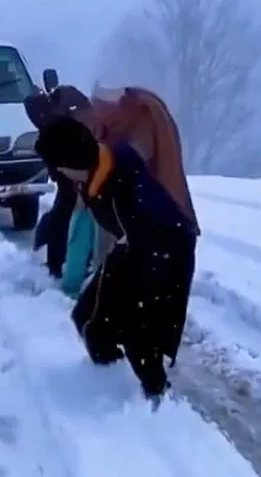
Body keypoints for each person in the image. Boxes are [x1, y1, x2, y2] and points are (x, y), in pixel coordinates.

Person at [34, 116, 197, 403]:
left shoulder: (125, 184)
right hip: (134, 244)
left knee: (137, 327)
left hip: (164, 249)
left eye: (59, 168)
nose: (58, 174)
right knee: (88, 319)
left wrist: (137, 284)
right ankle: (110, 384)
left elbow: (159, 228)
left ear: (74, 162)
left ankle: (157, 401)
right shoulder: (96, 170)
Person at [87, 85, 200, 358]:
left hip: (161, 228)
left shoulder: (143, 117)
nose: (97, 114)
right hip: (142, 227)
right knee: (107, 307)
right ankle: (118, 359)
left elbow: (129, 163)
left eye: (100, 105)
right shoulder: (127, 120)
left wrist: (104, 165)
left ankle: (151, 383)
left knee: (148, 313)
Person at [24, 84, 93, 278]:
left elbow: (87, 112)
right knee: (64, 218)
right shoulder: (49, 131)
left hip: (82, 170)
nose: (39, 120)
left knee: (69, 219)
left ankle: (64, 263)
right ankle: (60, 264)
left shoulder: (66, 99)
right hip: (72, 175)